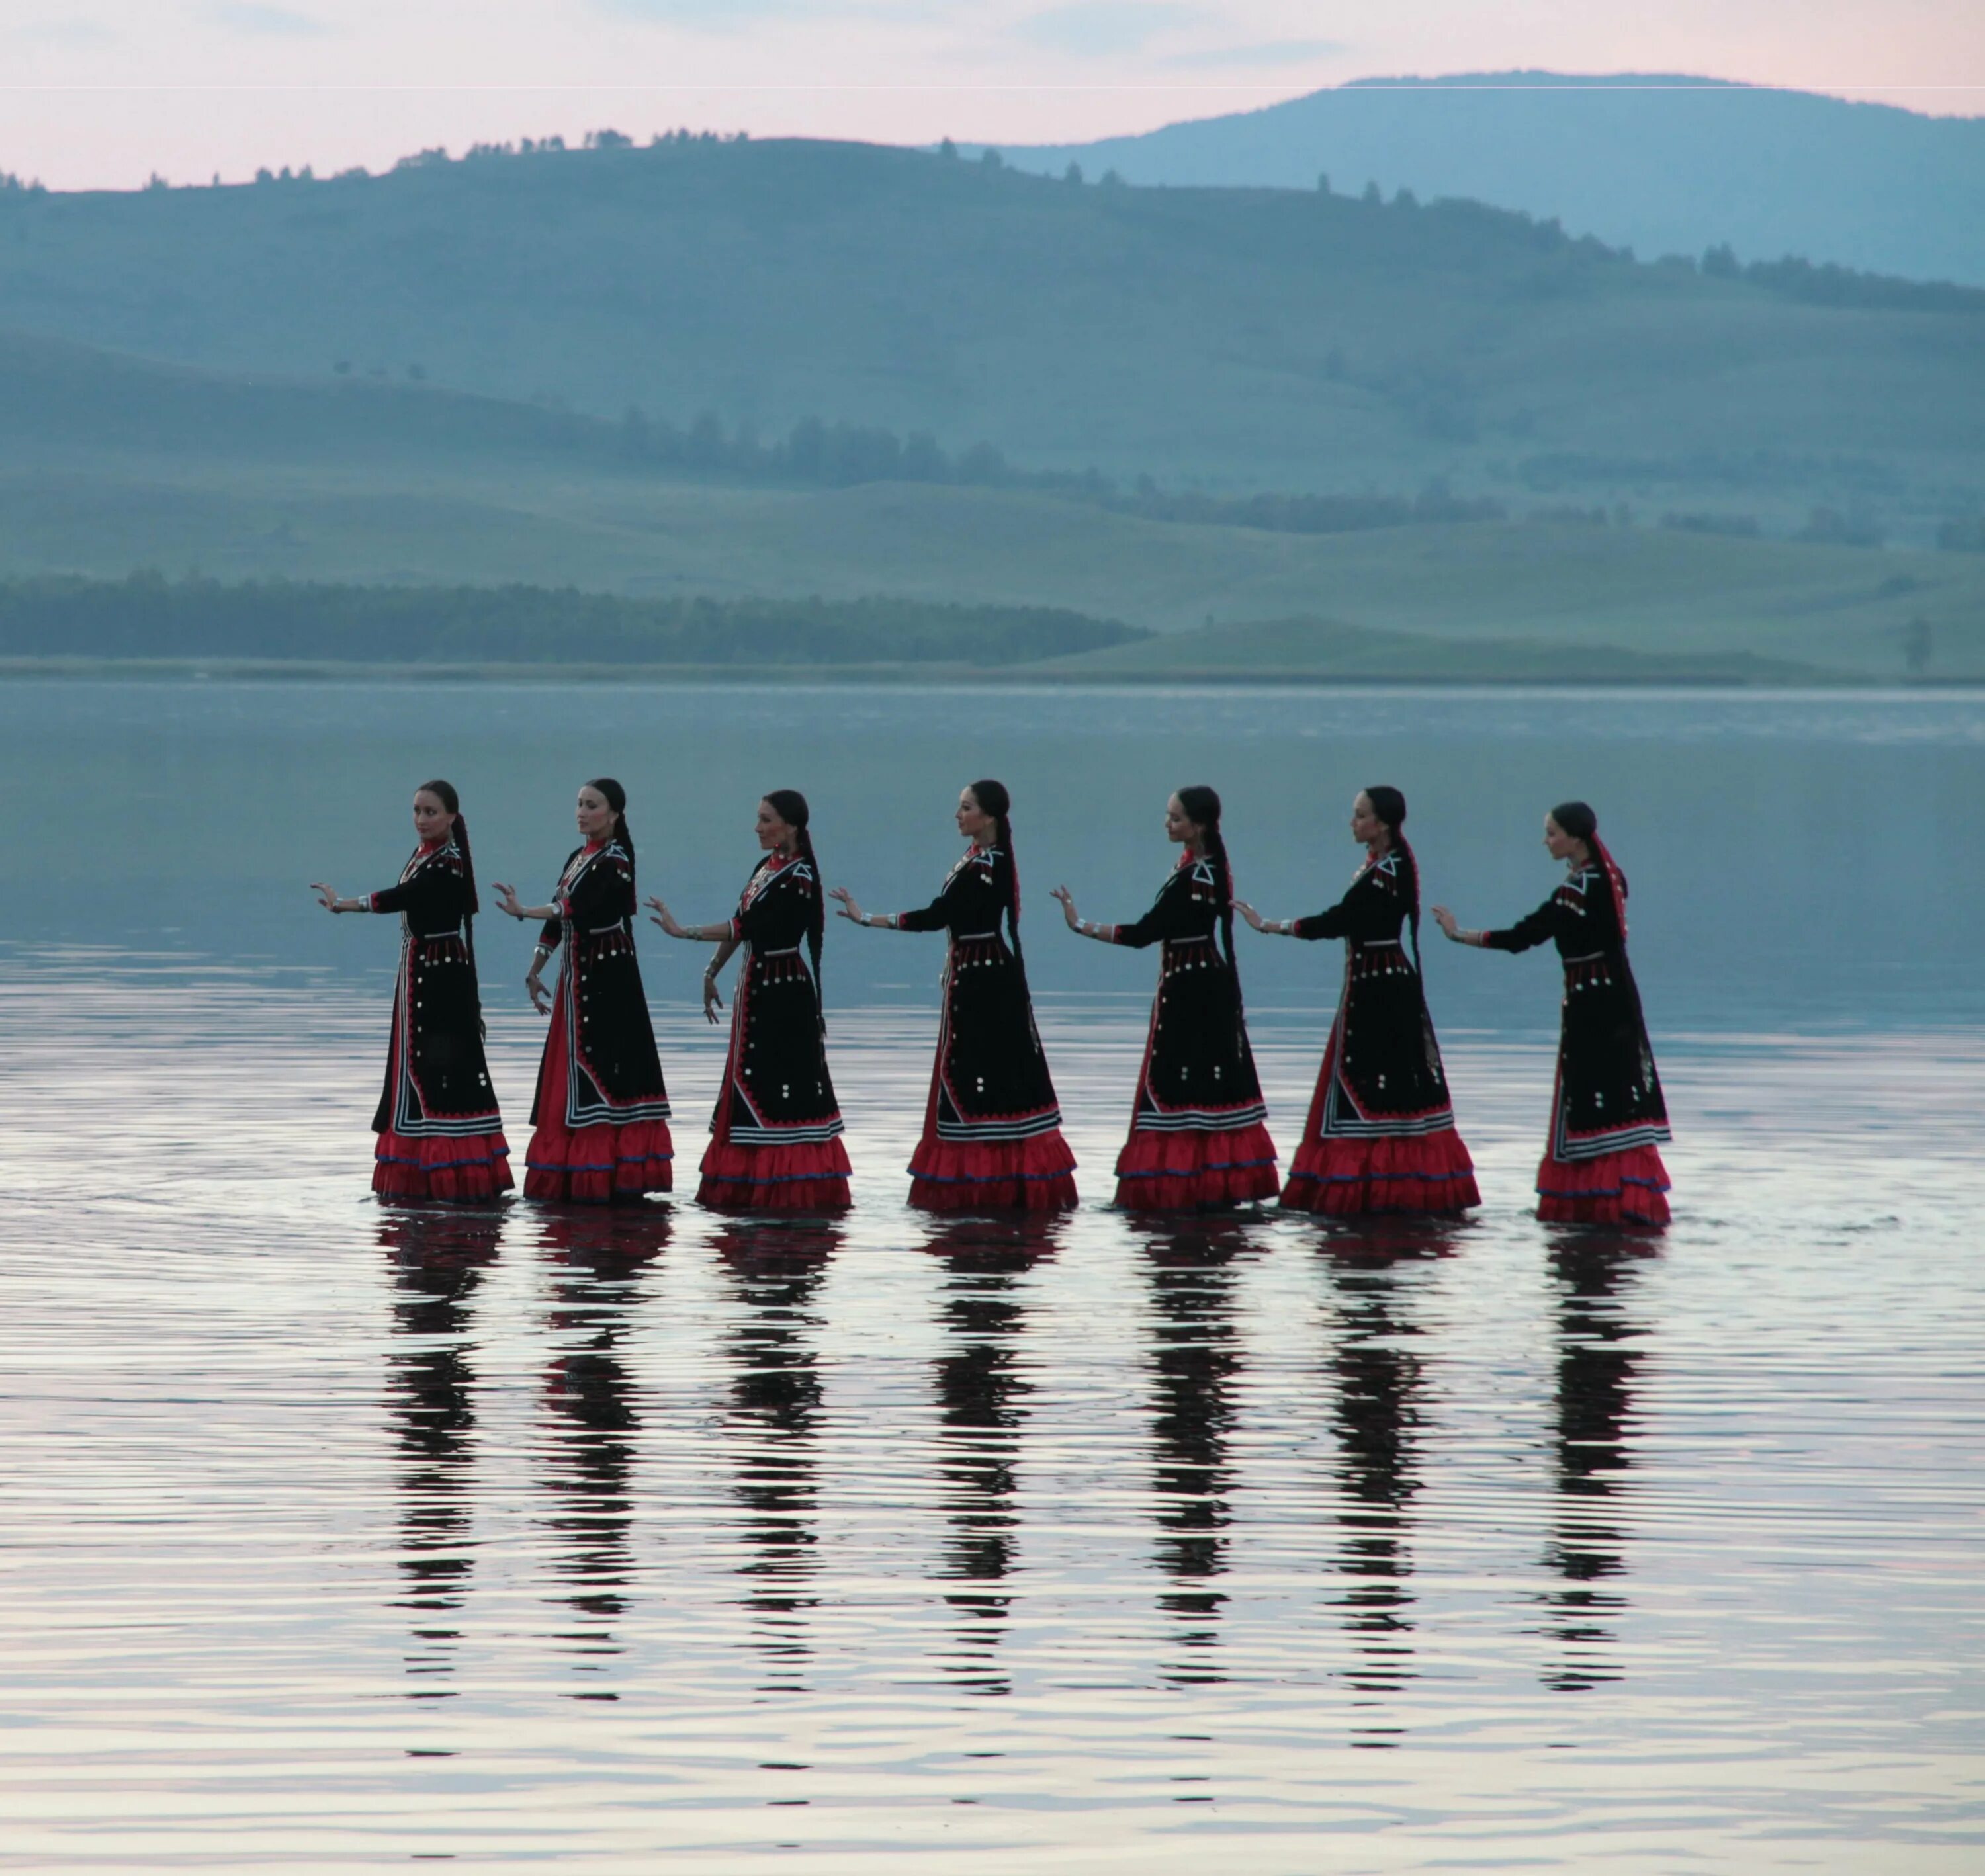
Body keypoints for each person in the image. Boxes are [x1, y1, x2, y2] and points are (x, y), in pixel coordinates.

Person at [832, 779, 1076, 1211]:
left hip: (982, 983)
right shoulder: (981, 859)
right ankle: (1003, 1180)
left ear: (989, 817)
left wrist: (866, 918)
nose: (957, 815)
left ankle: (984, 1184)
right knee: (992, 1076)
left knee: (976, 1076)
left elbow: (936, 916)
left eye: (965, 808)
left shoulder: (986, 867)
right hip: (978, 975)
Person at [1236, 786, 1478, 1215]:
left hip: (1378, 993)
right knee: (1391, 1090)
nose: (1352, 822)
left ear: (1381, 823)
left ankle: (1371, 1190)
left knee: (1373, 1089)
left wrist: (1269, 925)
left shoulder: (1387, 872)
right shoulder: (1390, 864)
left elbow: (1340, 921)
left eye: (1359, 815)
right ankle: (1393, 1189)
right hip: (1378, 986)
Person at [1433, 800, 1671, 1226]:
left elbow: (1521, 937)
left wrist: (1456, 934)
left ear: (1575, 838)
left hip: (1589, 1007)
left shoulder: (1573, 893)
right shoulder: (1612, 878)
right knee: (1619, 1097)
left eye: (1552, 833)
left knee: (1588, 1099)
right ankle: (1628, 1198)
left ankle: (1593, 1200)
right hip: (1620, 1001)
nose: (1545, 840)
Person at [1052, 785, 1278, 1210]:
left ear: (1200, 825)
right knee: (1209, 1092)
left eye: (1176, 818)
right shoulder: (1205, 869)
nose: (1167, 824)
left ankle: (1180, 1189)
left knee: (1179, 1090)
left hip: (1189, 995)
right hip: (1203, 987)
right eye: (1168, 816)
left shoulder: (1195, 877)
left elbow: (1142, 934)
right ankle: (1214, 1187)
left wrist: (1079, 924)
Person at [650, 790, 850, 1211]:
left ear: (791, 827)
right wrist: (711, 971)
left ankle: (784, 1188)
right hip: (757, 988)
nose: (757, 828)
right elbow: (741, 926)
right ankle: (748, 1187)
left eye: (765, 820)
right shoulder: (766, 868)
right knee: (750, 1081)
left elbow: (748, 925)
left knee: (779, 1090)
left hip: (782, 995)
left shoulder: (799, 878)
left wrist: (681, 931)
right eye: (758, 819)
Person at [312, 779, 512, 1201]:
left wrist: (346, 904)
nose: (422, 820)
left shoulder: (447, 863)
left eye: (431, 812)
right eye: (417, 812)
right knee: (419, 1065)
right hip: (421, 969)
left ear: (452, 817)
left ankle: (450, 1175)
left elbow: (406, 896)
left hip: (439, 977)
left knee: (438, 1069)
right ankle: (426, 1171)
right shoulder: (426, 855)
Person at [492, 778, 672, 1203]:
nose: (581, 812)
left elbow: (577, 907)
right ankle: (572, 1175)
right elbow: (559, 917)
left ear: (614, 815)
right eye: (578, 804)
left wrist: (522, 911)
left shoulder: (617, 860)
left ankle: (605, 1174)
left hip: (609, 982)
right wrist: (536, 968)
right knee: (570, 1070)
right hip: (577, 981)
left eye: (592, 805)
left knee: (605, 1070)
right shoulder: (578, 857)